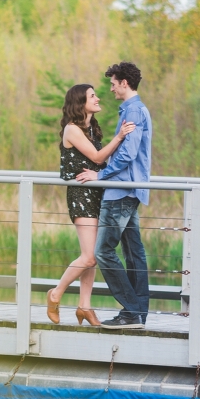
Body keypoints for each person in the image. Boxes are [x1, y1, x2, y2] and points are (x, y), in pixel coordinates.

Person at [46, 84, 134, 327]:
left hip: (97, 193)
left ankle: (85, 306)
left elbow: (98, 164)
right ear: (80, 102)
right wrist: (120, 136)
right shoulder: (72, 129)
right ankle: (55, 294)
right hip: (82, 195)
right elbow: (97, 158)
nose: (97, 98)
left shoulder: (92, 129)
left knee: (92, 256)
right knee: (89, 256)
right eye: (92, 95)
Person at [74, 60, 151, 326]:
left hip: (120, 191)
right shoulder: (135, 110)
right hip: (129, 189)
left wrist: (100, 175)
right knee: (133, 253)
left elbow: (128, 154)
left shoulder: (133, 111)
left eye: (113, 84)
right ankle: (137, 313)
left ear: (124, 83)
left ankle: (131, 311)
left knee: (104, 252)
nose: (111, 89)